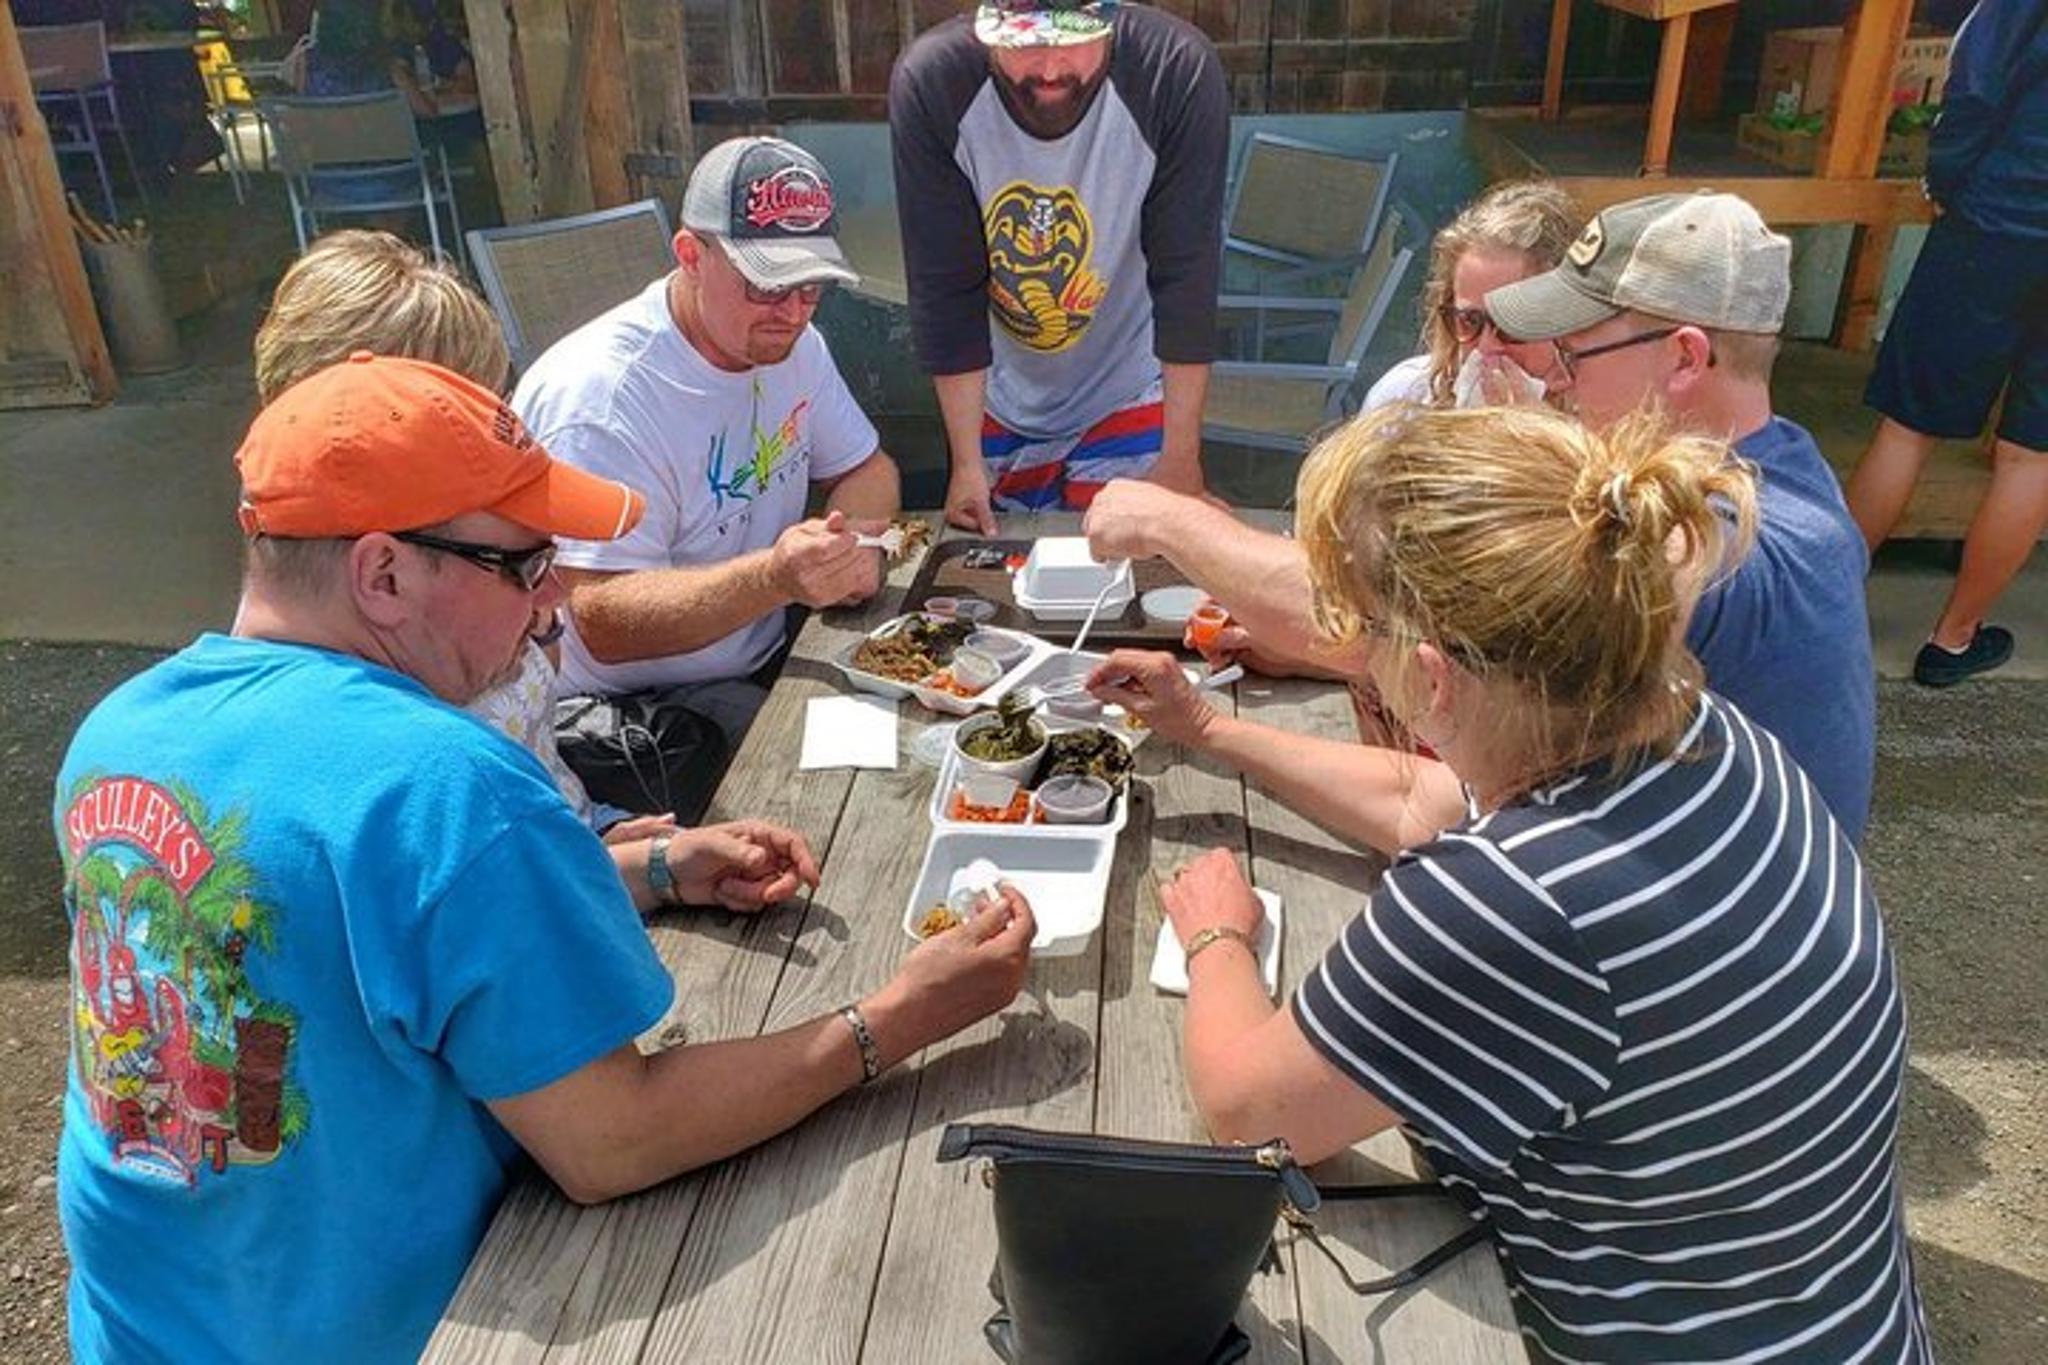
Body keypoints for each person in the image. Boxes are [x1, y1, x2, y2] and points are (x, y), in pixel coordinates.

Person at [54, 355, 1036, 1365]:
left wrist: (647, 869)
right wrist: (899, 1017)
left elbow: (349, 927)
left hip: (149, 1331)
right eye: (524, 565)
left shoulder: (120, 734)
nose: (555, 600)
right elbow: (613, 1141)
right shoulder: (449, 785)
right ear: (383, 573)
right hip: (393, 1332)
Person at [1132, 403, 1929, 1363]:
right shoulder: (1710, 736)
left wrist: (1217, 935)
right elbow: (1431, 802)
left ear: (1430, 676)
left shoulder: (1505, 899)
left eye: (1361, 627)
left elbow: (1249, 1114)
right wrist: (1213, 731)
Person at [253, 229, 808, 915]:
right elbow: (490, 909)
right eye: (457, 421)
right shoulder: (400, 755)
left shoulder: (427, 603)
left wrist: (622, 850)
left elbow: (528, 805)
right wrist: (883, 1023)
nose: (552, 596)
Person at [513, 136, 901, 822]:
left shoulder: (794, 344)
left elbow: (867, 469)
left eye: (811, 286)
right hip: (635, 713)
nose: (792, 309)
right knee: (854, 811)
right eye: (766, 283)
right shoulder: (603, 398)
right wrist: (777, 578)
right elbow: (600, 619)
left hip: (764, 651)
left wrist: (854, 548)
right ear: (691, 255)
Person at [889, 0, 1230, 527]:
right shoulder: (933, 81)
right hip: (998, 388)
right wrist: (965, 462)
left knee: (1131, 566)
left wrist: (1181, 459)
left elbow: (1187, 273)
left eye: (1072, 40)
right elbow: (944, 287)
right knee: (1010, 573)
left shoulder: (1174, 69)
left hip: (1128, 375)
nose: (1050, 68)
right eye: (1025, 45)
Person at [1844, 0, 2048, 686]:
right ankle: (1954, 637)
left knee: (1908, 428)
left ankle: (1829, 608)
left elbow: (1981, 73)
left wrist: (1952, 179)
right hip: (2007, 210)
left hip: (2000, 213)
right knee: (2033, 455)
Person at [1360, 179, 1581, 411]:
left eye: (1512, 324)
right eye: (1469, 321)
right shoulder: (1402, 401)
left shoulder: (1604, 426)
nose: (1486, 348)